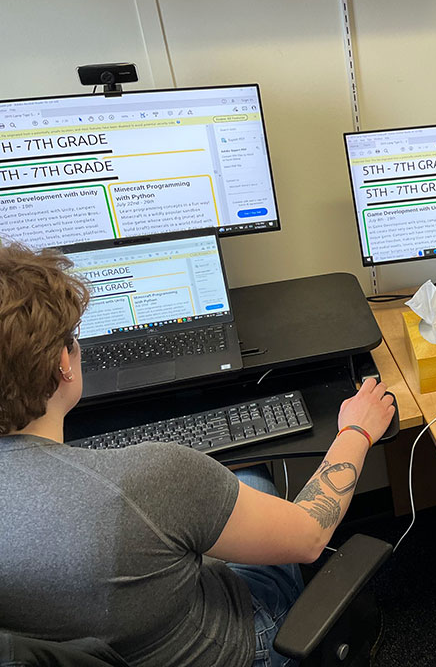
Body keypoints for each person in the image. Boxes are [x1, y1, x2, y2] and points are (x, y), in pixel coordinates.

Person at [0, 242, 396, 667]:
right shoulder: (150, 476)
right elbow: (309, 537)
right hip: (238, 645)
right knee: (252, 473)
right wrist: (356, 429)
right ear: (64, 363)